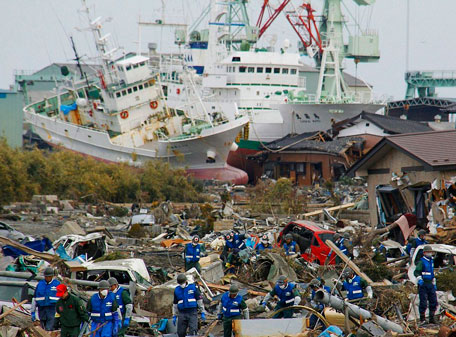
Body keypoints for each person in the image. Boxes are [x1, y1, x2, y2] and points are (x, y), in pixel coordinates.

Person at [414, 245, 438, 324]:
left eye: (430, 252)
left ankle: (431, 318)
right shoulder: (422, 261)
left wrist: (434, 282)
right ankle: (422, 319)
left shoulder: (431, 261)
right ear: (424, 253)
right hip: (423, 284)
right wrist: (419, 280)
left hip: (430, 284)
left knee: (433, 301)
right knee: (423, 302)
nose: (429, 253)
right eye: (428, 252)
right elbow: (416, 272)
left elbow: (432, 272)